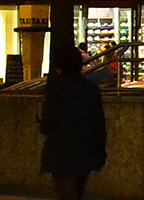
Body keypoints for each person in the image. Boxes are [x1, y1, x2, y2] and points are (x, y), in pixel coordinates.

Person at [38, 51, 106, 200]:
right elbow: (99, 123)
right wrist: (100, 150)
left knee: (66, 192)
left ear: (59, 67)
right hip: (85, 150)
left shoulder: (56, 90)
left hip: (61, 152)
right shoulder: (91, 89)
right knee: (77, 191)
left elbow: (47, 125)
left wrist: (41, 120)